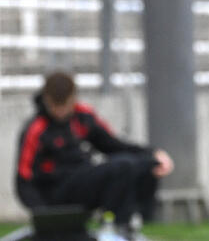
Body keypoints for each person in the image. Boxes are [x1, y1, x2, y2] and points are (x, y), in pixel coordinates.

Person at [15, 72, 174, 237]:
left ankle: (127, 223)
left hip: (83, 181)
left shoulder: (83, 116)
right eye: (56, 106)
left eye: (65, 105)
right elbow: (24, 178)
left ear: (73, 98)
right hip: (56, 193)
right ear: (47, 100)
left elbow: (112, 145)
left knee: (144, 164)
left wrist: (152, 154)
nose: (60, 112)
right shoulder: (36, 128)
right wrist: (45, 216)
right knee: (121, 166)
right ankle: (116, 226)